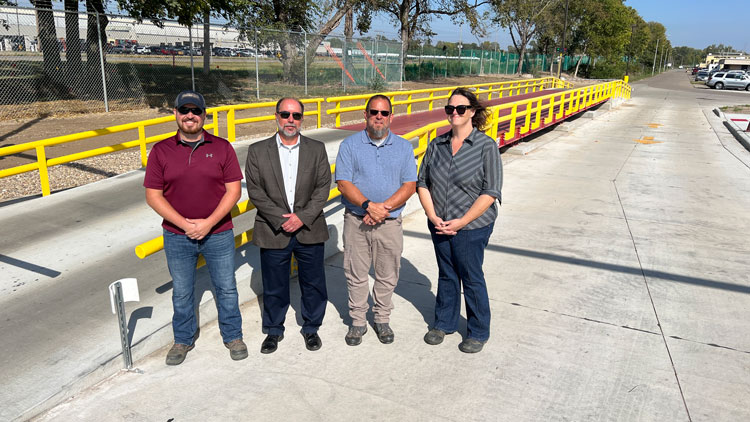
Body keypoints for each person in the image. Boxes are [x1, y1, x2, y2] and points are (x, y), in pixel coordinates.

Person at [144, 90, 247, 365]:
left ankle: (233, 335)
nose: (190, 116)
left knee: (226, 287)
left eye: (196, 111)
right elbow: (154, 196)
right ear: (176, 114)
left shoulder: (222, 147)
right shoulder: (161, 151)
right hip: (178, 236)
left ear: (204, 116)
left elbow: (233, 191)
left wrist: (208, 223)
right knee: (182, 290)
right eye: (184, 110)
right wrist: (186, 225)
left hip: (219, 232)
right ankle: (183, 339)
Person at [416, 87, 502, 354]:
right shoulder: (437, 144)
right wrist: (432, 216)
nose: (454, 113)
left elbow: (491, 192)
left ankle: (478, 330)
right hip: (439, 223)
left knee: (471, 275)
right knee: (447, 273)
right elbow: (423, 182)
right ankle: (444, 322)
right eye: (450, 109)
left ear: (472, 112)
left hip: (473, 226)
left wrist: (462, 221)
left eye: (460, 109)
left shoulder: (485, 147)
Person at [245, 98, 331, 354]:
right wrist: (283, 219)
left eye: (296, 115)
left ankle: (311, 327)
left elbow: (323, 187)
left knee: (313, 283)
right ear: (277, 116)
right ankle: (273, 330)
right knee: (274, 284)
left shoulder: (316, 149)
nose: (290, 120)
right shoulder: (258, 151)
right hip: (273, 229)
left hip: (309, 228)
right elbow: (255, 192)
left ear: (302, 118)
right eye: (285, 114)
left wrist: (302, 217)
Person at [335, 94, 417, 346]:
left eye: (383, 113)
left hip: (389, 223)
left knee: (387, 273)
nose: (378, 117)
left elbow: (410, 185)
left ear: (391, 116)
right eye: (374, 112)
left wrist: (383, 209)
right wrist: (368, 206)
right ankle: (358, 322)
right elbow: (343, 182)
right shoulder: (350, 145)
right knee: (355, 273)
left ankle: (382, 318)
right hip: (356, 219)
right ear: (366, 115)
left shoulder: (403, 147)